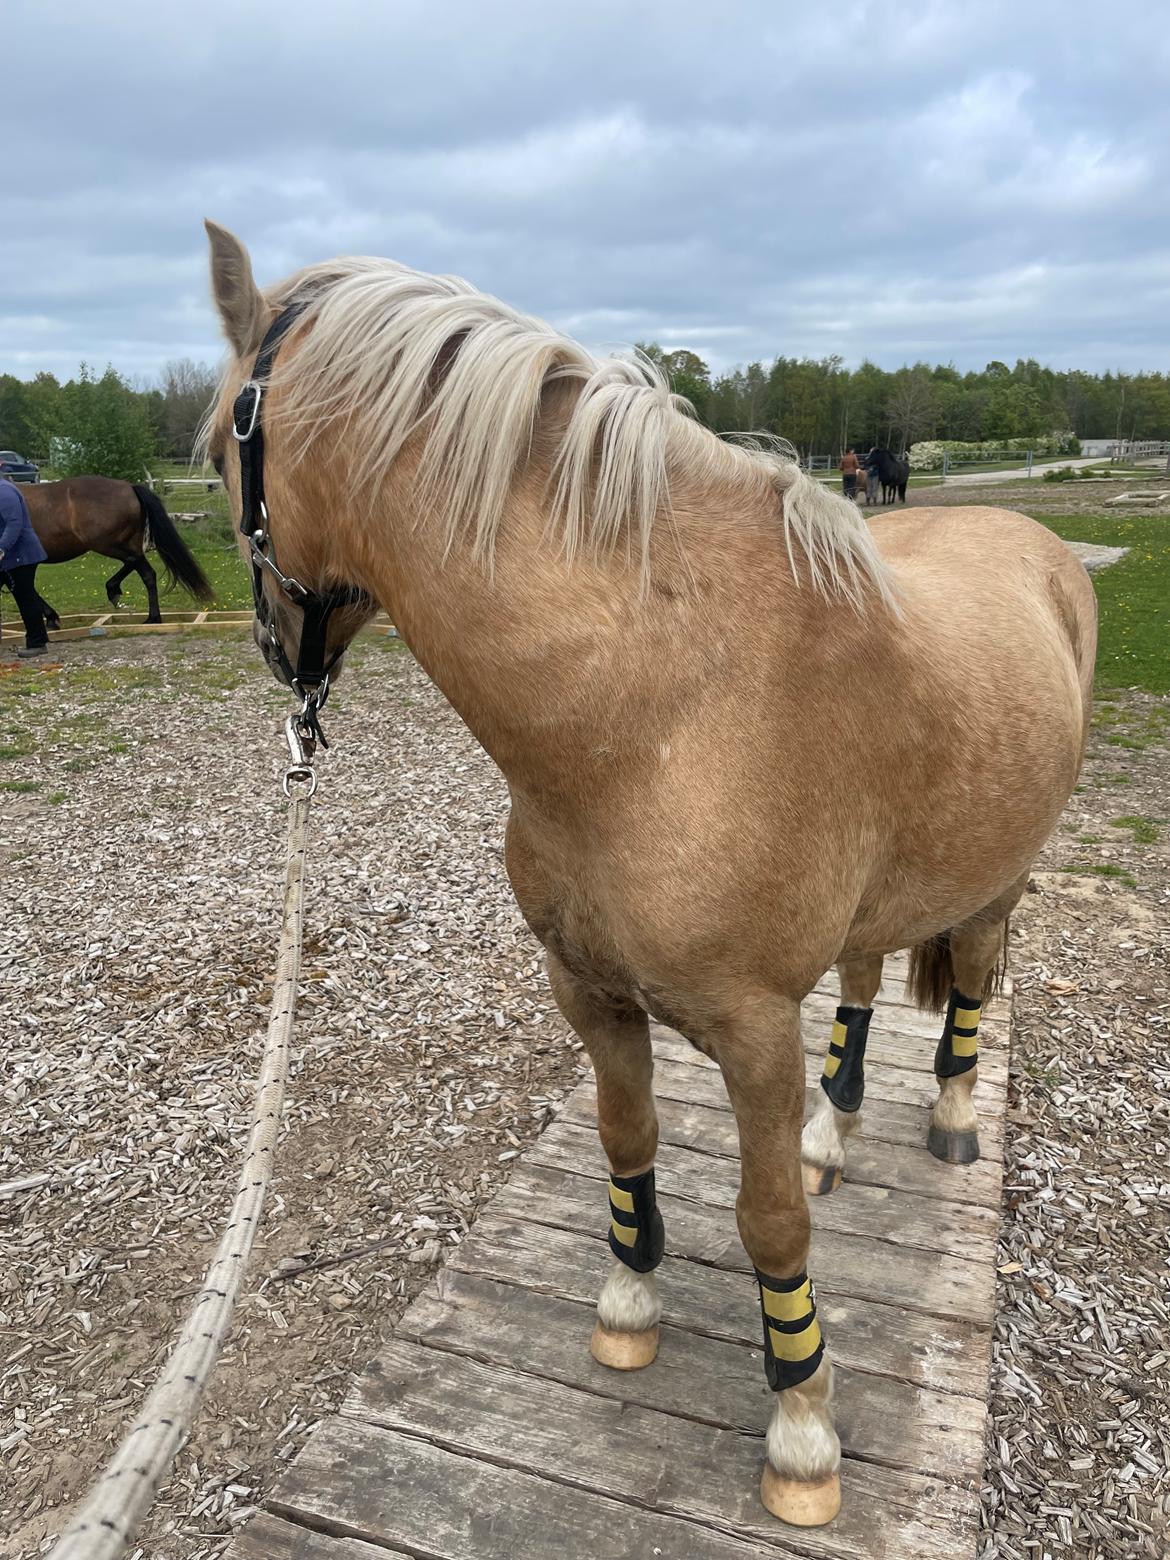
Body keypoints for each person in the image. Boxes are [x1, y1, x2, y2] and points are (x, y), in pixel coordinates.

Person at [0, 477, 49, 658]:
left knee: (26, 598)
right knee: (26, 597)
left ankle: (37, 643)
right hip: (8, 557)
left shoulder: (4, 491)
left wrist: (1, 548)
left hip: (20, 557)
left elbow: (14, 523)